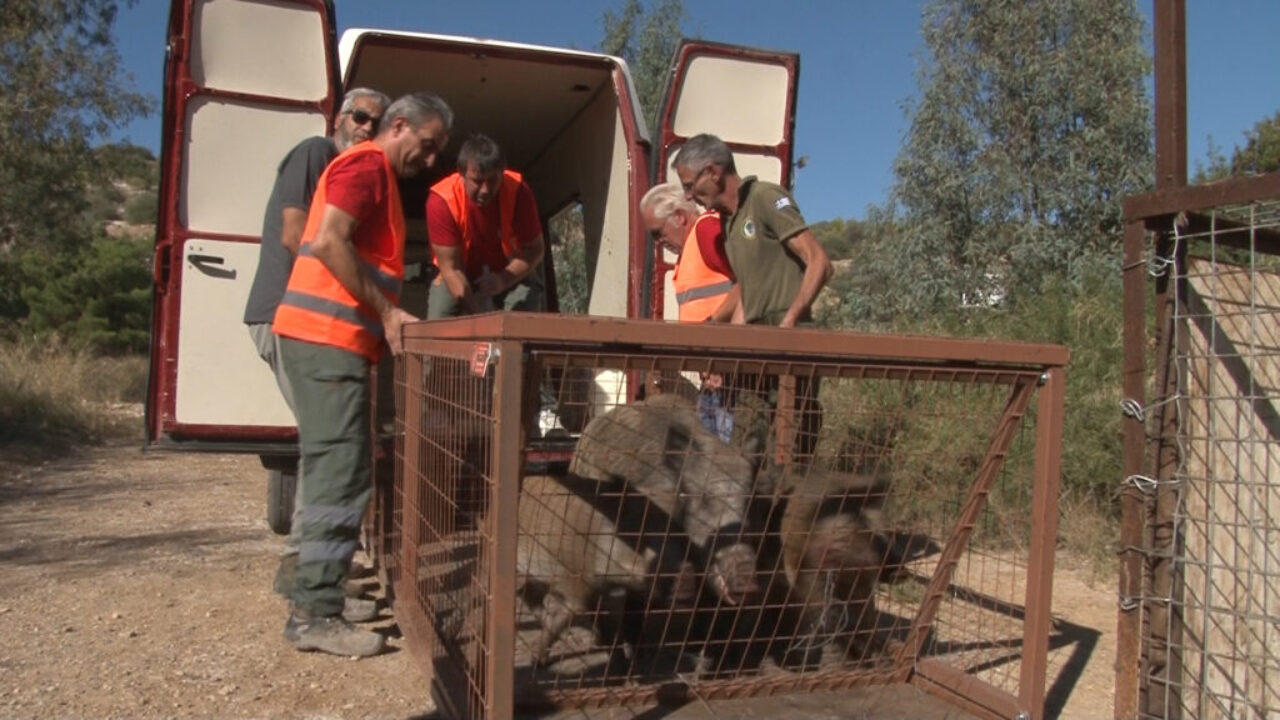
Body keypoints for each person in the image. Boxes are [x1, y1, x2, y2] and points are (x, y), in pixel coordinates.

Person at [272, 91, 453, 657]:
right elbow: (327, 241)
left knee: (337, 469)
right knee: (339, 472)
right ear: (398, 126)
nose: (429, 162)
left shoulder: (378, 179)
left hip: (333, 344)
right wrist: (389, 311)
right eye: (426, 147)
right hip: (326, 342)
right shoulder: (366, 166)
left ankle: (317, 589)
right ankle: (315, 612)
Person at [242, 88, 390, 619]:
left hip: (298, 319)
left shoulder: (343, 166)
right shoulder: (316, 153)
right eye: (359, 117)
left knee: (324, 450)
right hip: (290, 316)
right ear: (338, 116)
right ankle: (311, 580)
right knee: (331, 454)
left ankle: (309, 572)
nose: (366, 128)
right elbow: (296, 235)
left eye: (376, 121)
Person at [673, 134, 832, 466]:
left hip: (788, 337)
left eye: (690, 184)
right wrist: (722, 349)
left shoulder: (764, 198)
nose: (689, 195)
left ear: (713, 172)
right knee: (745, 453)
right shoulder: (729, 224)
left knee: (788, 450)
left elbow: (819, 262)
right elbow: (748, 290)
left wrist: (788, 323)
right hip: (756, 344)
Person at [640, 181, 736, 442]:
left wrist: (720, 349)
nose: (659, 242)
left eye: (658, 233)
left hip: (728, 374)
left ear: (680, 216)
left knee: (722, 463)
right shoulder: (691, 250)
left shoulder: (707, 231)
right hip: (713, 375)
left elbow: (748, 285)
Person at [424, 133, 546, 318]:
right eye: (478, 181)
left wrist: (503, 279)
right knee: (439, 321)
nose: (485, 190)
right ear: (461, 173)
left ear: (502, 174)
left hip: (508, 269)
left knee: (525, 311)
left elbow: (535, 249)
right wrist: (476, 314)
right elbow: (451, 268)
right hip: (458, 271)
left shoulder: (519, 192)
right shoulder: (441, 201)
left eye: (493, 180)